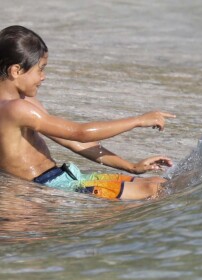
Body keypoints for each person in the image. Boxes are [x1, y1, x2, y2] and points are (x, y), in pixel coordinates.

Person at [0, 25, 176, 200]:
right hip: (49, 186)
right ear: (16, 70)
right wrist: (138, 120)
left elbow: (73, 141)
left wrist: (130, 166)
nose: (43, 76)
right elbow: (80, 133)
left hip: (63, 177)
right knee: (154, 189)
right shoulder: (16, 109)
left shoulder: (24, 102)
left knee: (158, 182)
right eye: (40, 69)